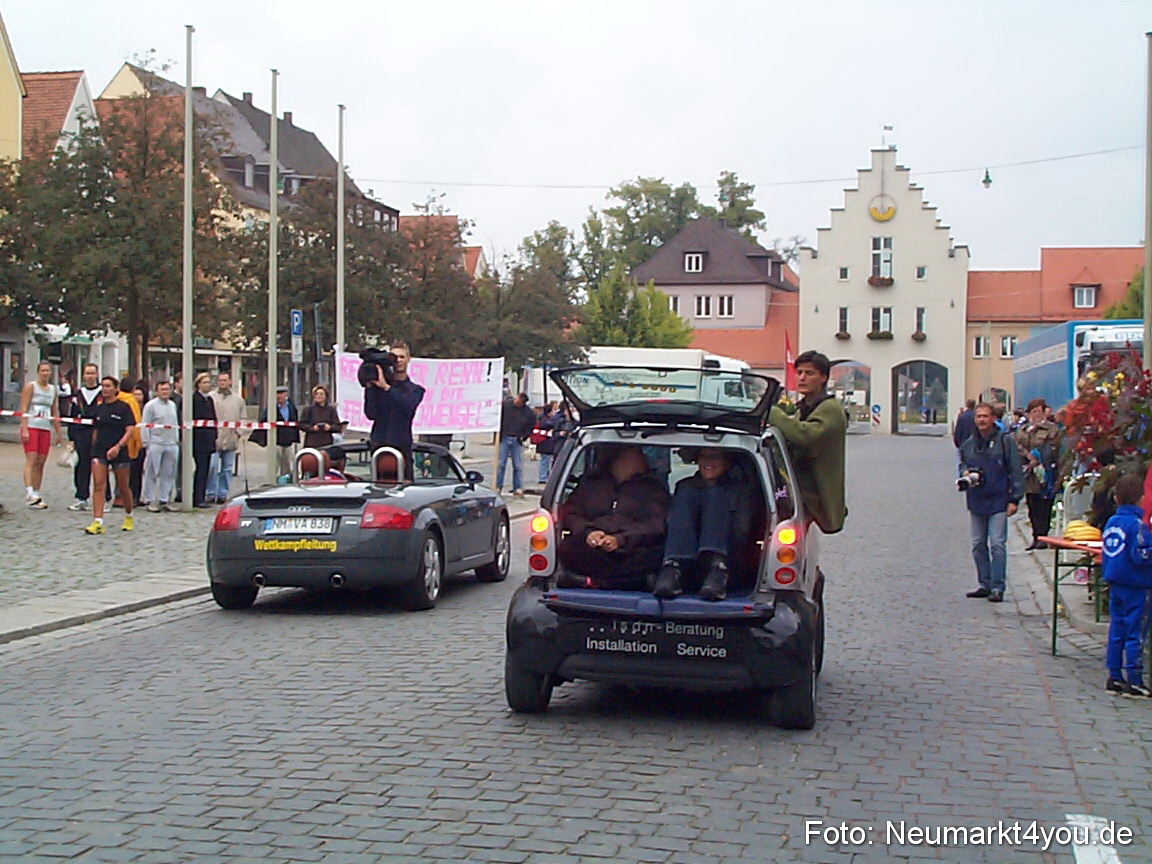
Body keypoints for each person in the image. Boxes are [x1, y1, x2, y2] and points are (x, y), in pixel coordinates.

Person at [556, 446, 671, 589]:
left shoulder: (653, 488)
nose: (644, 458)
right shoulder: (590, 484)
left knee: (658, 555)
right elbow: (571, 513)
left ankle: (595, 581)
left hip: (633, 549)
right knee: (568, 548)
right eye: (637, 454)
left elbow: (656, 524)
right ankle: (624, 582)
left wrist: (620, 539)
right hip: (595, 549)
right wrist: (589, 533)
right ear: (619, 460)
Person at [654, 448, 757, 601]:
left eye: (715, 457)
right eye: (703, 457)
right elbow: (672, 526)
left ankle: (717, 568)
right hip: (687, 566)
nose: (708, 462)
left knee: (714, 493)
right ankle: (672, 567)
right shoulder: (685, 487)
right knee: (689, 491)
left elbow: (742, 534)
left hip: (727, 566)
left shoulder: (740, 490)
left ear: (727, 463)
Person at [767, 350, 847, 534]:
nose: (802, 378)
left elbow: (806, 437)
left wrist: (774, 414)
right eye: (799, 372)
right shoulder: (801, 408)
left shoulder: (830, 409)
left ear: (824, 378)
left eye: (809, 373)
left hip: (815, 498)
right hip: (796, 493)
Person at [959, 402, 1025, 603]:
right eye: (978, 416)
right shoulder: (969, 443)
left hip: (998, 499)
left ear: (993, 418)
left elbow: (1015, 470)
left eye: (985, 416)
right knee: (978, 543)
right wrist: (965, 473)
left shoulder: (1004, 441)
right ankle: (984, 583)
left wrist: (1014, 499)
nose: (981, 420)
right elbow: (962, 463)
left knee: (997, 543)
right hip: (977, 499)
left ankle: (998, 586)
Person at [1101, 474, 1152, 698]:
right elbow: (1141, 556)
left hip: (1116, 583)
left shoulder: (1112, 522)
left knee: (1117, 630)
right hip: (1136, 586)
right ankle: (1135, 678)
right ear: (1140, 499)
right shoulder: (1138, 526)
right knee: (1136, 633)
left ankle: (1114, 675)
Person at [363, 342, 425, 478]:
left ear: (409, 359)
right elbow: (370, 414)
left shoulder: (415, 389)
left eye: (402, 357)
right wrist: (370, 387)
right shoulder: (378, 386)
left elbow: (408, 407)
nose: (398, 360)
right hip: (379, 445)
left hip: (402, 446)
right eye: (394, 357)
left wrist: (387, 388)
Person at [85, 376, 136, 534]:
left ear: (115, 389)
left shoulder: (123, 407)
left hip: (119, 450)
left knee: (122, 486)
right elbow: (95, 429)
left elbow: (130, 429)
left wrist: (119, 446)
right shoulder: (99, 408)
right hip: (100, 450)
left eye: (108, 386)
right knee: (99, 484)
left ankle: (128, 514)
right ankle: (97, 521)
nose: (105, 389)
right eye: (103, 386)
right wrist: (94, 447)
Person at [1014, 397, 1061, 550]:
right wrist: (1027, 456)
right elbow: (1016, 444)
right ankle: (1035, 536)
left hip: (1045, 473)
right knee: (1032, 505)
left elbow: (1053, 446)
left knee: (1045, 505)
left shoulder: (1051, 429)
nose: (1036, 415)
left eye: (1039, 411)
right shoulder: (1023, 430)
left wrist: (1038, 456)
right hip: (1029, 474)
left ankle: (1043, 536)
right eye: (1033, 412)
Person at [19, 360, 63, 509]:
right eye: (43, 371)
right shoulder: (31, 387)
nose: (45, 373)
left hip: (45, 428)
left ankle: (37, 492)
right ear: (38, 372)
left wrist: (58, 431)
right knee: (31, 459)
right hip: (31, 426)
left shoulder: (52, 389)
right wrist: (24, 428)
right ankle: (29, 491)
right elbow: (24, 407)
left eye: (48, 371)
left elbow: (54, 410)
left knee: (41, 461)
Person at [68, 363, 103, 511]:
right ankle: (81, 497)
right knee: (81, 465)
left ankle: (103, 498)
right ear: (83, 375)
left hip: (99, 431)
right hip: (81, 432)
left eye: (92, 373)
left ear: (96, 374)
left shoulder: (103, 392)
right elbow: (72, 416)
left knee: (99, 464)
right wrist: (72, 437)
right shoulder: (78, 394)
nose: (90, 376)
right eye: (87, 373)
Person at [141, 381, 180, 512]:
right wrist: (146, 443)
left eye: (167, 389)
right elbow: (145, 424)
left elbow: (174, 424)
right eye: (162, 389)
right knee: (151, 471)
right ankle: (149, 499)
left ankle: (164, 498)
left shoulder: (172, 405)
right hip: (155, 443)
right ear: (157, 392)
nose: (165, 392)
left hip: (171, 443)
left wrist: (176, 440)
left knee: (169, 473)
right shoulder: (150, 406)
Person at [208, 371, 246, 503]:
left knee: (227, 468)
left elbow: (243, 418)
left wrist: (238, 432)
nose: (222, 383)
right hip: (214, 439)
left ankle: (223, 493)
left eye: (225, 380)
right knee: (212, 466)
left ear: (230, 381)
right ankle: (211, 493)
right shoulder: (211, 397)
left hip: (230, 439)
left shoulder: (238, 399)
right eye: (220, 380)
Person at [254, 385, 300, 478]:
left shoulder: (291, 407)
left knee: (287, 465)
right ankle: (272, 480)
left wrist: (294, 437)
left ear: (286, 394)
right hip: (276, 441)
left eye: (281, 394)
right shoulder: (271, 408)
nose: (279, 396)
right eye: (277, 394)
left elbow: (295, 422)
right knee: (274, 464)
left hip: (288, 441)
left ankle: (286, 481)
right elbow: (263, 421)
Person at [497, 392, 536, 497]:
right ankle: (498, 486)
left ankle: (517, 487)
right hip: (505, 436)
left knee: (517, 465)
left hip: (517, 439)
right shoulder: (506, 406)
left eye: (519, 402)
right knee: (501, 464)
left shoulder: (528, 413)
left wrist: (524, 436)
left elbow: (531, 425)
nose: (516, 402)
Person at [191, 372, 217, 508]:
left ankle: (202, 495)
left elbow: (213, 419)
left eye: (208, 382)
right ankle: (197, 497)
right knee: (201, 468)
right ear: (199, 384)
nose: (208, 385)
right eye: (205, 382)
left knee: (206, 468)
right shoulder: (194, 399)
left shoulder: (209, 399)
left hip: (208, 440)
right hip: (198, 441)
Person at [299, 385, 344, 450]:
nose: (318, 396)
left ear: (326, 396)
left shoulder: (331, 410)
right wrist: (312, 428)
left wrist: (329, 427)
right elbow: (301, 425)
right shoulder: (308, 409)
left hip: (326, 443)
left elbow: (338, 427)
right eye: (316, 394)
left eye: (321, 394)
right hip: (311, 443)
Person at [534, 401, 561, 483]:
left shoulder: (543, 418)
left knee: (546, 460)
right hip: (545, 443)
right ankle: (542, 477)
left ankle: (545, 476)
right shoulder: (546, 420)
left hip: (545, 444)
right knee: (545, 460)